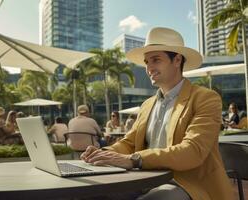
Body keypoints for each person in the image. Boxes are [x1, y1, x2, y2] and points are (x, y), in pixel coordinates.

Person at [81, 27, 233, 200]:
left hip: (189, 184)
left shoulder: (205, 98)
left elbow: (192, 151)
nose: (149, 68)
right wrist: (102, 153)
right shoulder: (147, 105)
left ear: (177, 60)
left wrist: (135, 159)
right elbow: (129, 143)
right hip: (143, 179)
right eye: (147, 62)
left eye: (155, 60)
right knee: (90, 193)